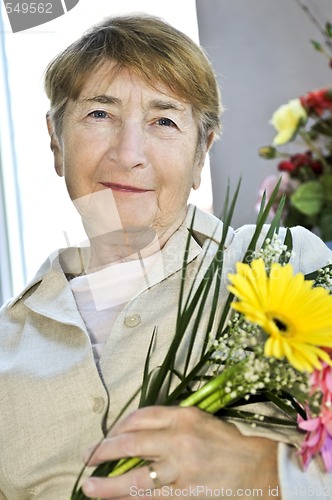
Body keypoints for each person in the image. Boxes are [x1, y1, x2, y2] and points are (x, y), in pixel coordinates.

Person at [0, 14, 331, 500]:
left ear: (201, 155)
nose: (129, 152)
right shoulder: (9, 342)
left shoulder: (288, 267)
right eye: (99, 114)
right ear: (55, 141)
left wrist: (267, 474)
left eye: (164, 121)